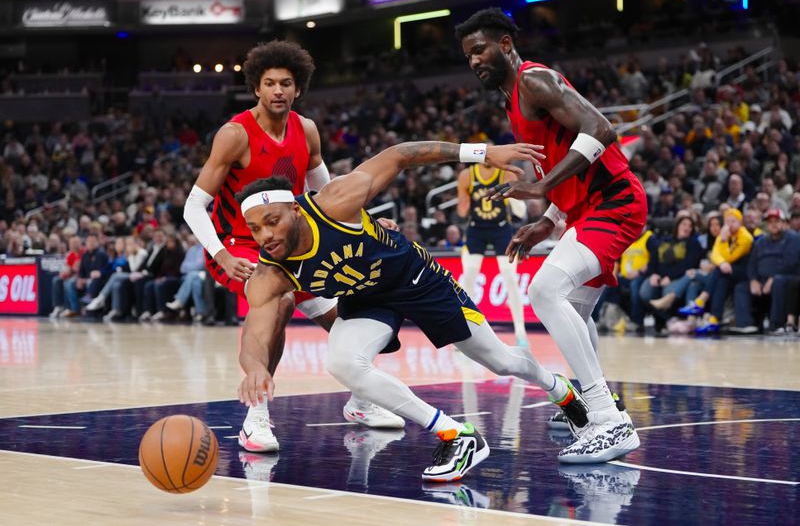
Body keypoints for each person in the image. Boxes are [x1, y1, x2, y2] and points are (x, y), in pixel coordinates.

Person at [236, 140, 594, 481]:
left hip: (417, 280)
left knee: (501, 361)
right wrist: (253, 369)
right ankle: (455, 434)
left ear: (295, 208)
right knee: (341, 362)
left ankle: (558, 388)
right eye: (255, 229)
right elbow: (255, 331)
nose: (266, 235)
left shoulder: (335, 201)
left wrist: (481, 153)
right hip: (366, 299)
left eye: (272, 221)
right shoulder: (270, 273)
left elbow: (400, 154)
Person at [182, 40, 402, 453]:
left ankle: (360, 401)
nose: (278, 91)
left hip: (294, 246)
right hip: (241, 245)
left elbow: (328, 194)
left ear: (298, 89)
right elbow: (194, 205)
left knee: (349, 316)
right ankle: (257, 417)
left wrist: (369, 223)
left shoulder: (307, 130)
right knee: (279, 303)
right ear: (256, 89)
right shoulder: (234, 134)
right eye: (269, 83)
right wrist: (221, 254)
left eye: (286, 83)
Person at [456, 8, 643, 462]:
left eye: (480, 49)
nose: (474, 61)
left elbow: (601, 129)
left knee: (544, 291)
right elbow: (567, 171)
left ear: (504, 44)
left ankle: (607, 420)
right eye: (467, 56)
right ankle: (593, 402)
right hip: (585, 210)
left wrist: (539, 187)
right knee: (575, 309)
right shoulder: (511, 100)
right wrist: (549, 219)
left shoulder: (533, 80)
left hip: (614, 204)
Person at [456, 160, 528, 346]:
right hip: (476, 229)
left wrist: (513, 196)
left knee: (510, 279)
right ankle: (465, 331)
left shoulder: (505, 173)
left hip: (501, 229)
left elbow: (520, 211)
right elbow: (462, 212)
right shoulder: (467, 175)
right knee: (469, 278)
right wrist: (463, 201)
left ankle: (520, 331)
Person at [679, 208, 754, 334]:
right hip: (728, 272)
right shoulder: (724, 234)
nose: (729, 224)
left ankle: (700, 301)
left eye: (733, 221)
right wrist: (722, 260)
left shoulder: (745, 237)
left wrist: (723, 241)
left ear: (740, 223)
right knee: (721, 280)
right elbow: (715, 254)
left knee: (718, 271)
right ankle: (714, 319)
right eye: (727, 221)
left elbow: (729, 257)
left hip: (746, 272)